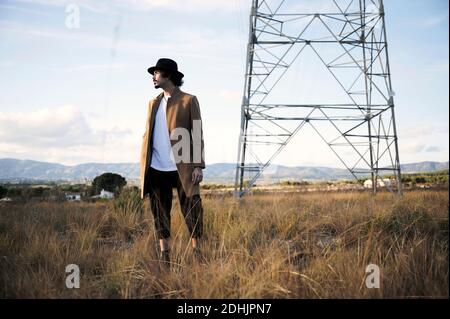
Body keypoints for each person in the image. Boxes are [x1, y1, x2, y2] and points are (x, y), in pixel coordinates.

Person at [140, 58, 205, 270]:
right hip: (157, 167)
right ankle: (165, 257)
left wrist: (198, 165)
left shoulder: (188, 100)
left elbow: (197, 132)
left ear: (168, 75)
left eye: (156, 73)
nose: (153, 77)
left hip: (183, 167)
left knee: (192, 210)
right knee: (159, 212)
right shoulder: (153, 103)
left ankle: (198, 255)